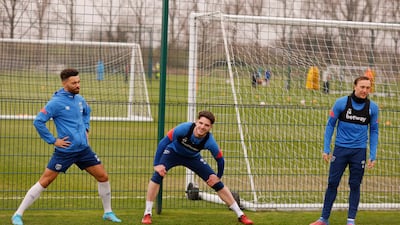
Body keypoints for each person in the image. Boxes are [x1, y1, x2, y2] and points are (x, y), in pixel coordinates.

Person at [11, 68, 121, 225]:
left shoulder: (80, 99)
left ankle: (108, 212)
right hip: (65, 152)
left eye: (79, 82)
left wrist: (86, 128)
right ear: (64, 83)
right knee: (45, 181)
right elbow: (38, 121)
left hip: (84, 150)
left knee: (103, 176)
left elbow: (86, 113)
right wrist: (53, 140)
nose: (78, 85)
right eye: (74, 83)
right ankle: (17, 214)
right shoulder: (55, 103)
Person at [141, 111, 253, 225]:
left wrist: (218, 177)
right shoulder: (183, 128)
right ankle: (147, 213)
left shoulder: (210, 142)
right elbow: (163, 142)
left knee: (216, 184)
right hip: (172, 153)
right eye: (201, 123)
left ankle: (240, 215)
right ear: (196, 122)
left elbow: (220, 160)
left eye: (206, 125)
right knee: (157, 176)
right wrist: (157, 164)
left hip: (193, 158)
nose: (202, 127)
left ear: (210, 127)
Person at [310, 76, 379, 225]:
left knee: (355, 184)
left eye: (368, 87)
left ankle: (350, 221)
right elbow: (330, 125)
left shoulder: (373, 108)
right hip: (340, 151)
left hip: (359, 152)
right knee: (332, 183)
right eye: (362, 87)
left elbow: (374, 131)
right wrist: (326, 149)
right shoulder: (341, 103)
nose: (365, 90)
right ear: (355, 86)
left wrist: (373, 154)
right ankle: (323, 219)